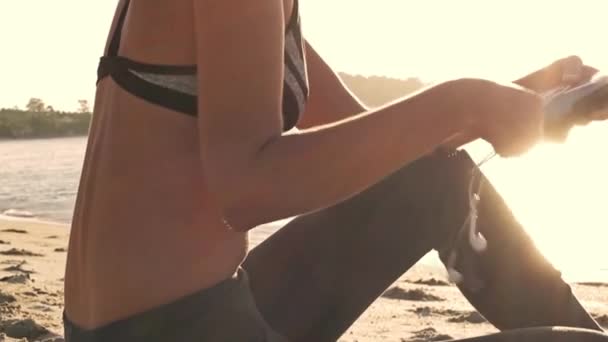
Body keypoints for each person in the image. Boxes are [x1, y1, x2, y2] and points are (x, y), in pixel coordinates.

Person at [63, 0, 608, 341]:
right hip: (180, 329)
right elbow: (246, 188)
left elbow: (386, 147)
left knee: (432, 180)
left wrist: (534, 95)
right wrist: (464, 100)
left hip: (179, 313)